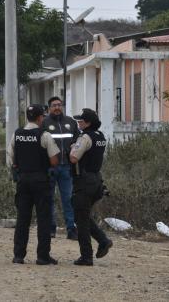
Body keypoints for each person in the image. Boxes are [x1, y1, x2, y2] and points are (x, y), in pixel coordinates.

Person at [9, 105, 60, 265]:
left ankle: (19, 255)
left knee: (23, 218)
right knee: (43, 219)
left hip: (23, 181)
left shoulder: (17, 134)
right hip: (40, 181)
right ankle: (43, 256)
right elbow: (54, 161)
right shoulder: (44, 135)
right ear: (40, 118)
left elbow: (11, 158)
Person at [69, 108, 113, 266]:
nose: (79, 123)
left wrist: (72, 147)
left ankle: (86, 256)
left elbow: (74, 158)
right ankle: (103, 241)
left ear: (88, 123)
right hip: (96, 180)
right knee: (83, 216)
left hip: (84, 182)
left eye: (81, 121)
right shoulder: (100, 136)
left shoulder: (85, 137)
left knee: (81, 220)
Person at [42, 96, 78, 240]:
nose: (57, 107)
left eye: (59, 105)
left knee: (68, 199)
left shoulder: (71, 122)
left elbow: (77, 141)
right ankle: (51, 228)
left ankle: (71, 229)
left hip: (66, 168)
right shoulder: (44, 123)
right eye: (54, 105)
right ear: (49, 108)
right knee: (49, 198)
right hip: (50, 168)